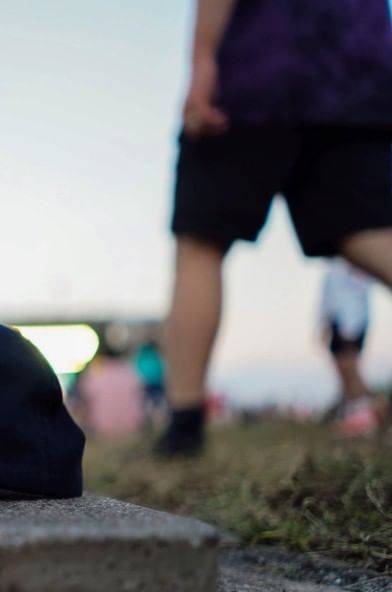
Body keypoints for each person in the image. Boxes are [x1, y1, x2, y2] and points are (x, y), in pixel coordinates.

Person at [157, 0, 392, 457]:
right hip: (355, 76)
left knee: (201, 244)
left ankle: (184, 424)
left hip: (256, 71)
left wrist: (203, 59)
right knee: (371, 234)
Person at [319, 258, 378, 437]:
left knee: (349, 365)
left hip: (350, 319)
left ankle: (364, 412)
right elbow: (330, 296)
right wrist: (325, 322)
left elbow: (352, 291)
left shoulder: (351, 261)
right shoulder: (336, 265)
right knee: (343, 366)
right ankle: (356, 410)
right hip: (341, 319)